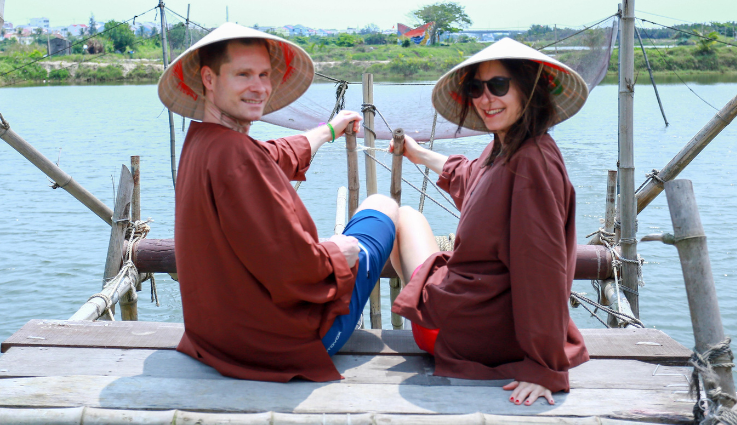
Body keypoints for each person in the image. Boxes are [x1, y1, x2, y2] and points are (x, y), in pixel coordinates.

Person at [157, 22, 397, 382]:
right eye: (243, 75)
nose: (260, 87)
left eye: (265, 75)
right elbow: (296, 267)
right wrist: (337, 252)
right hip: (278, 346)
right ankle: (437, 329)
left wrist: (328, 129)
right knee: (387, 207)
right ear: (209, 78)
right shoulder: (237, 156)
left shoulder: (203, 142)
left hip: (213, 340)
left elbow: (273, 154)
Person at [390, 37, 591, 406]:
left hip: (469, 337)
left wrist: (543, 367)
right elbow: (472, 176)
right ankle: (423, 294)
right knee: (407, 221)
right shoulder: (508, 147)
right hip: (484, 323)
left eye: (499, 85)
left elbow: (541, 269)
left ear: (529, 90)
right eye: (475, 88)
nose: (485, 99)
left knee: (399, 216)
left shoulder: (531, 164)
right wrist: (419, 155)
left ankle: (411, 304)